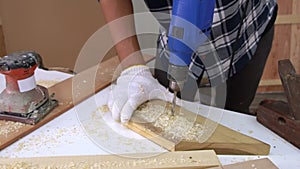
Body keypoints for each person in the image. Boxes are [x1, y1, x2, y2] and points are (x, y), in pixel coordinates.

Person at [98, 0, 278, 124]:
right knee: (162, 113)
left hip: (246, 27)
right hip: (173, 37)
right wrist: (133, 67)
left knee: (235, 117)